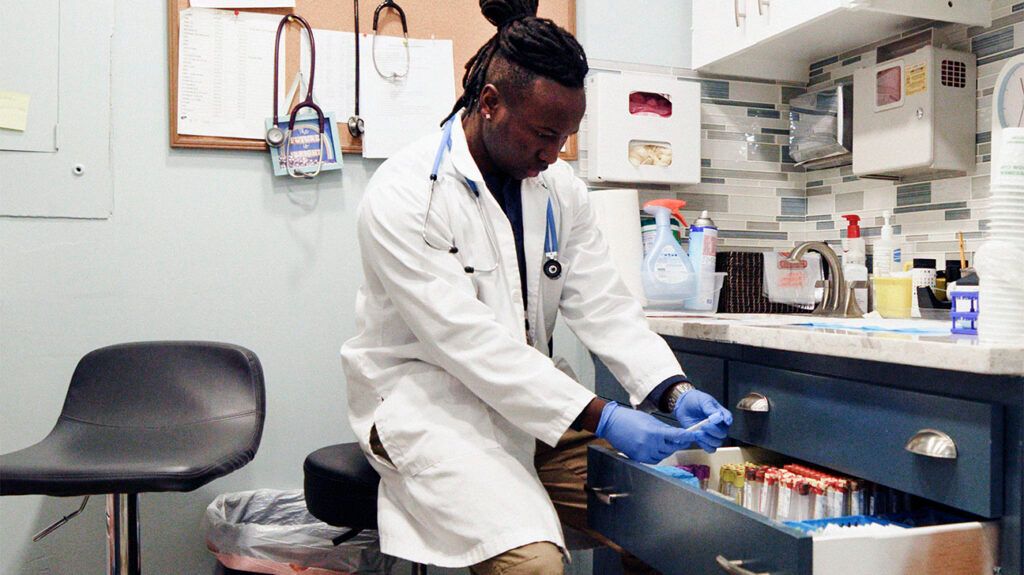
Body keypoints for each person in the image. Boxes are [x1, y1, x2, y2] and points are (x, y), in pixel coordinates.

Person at [341, 1, 733, 573]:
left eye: (567, 137)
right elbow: (468, 344)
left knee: (674, 519)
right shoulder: (407, 194)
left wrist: (670, 390)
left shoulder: (556, 190)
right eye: (545, 135)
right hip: (434, 410)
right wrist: (604, 416)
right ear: (491, 104)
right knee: (534, 566)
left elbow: (603, 303)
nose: (553, 154)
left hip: (533, 410)